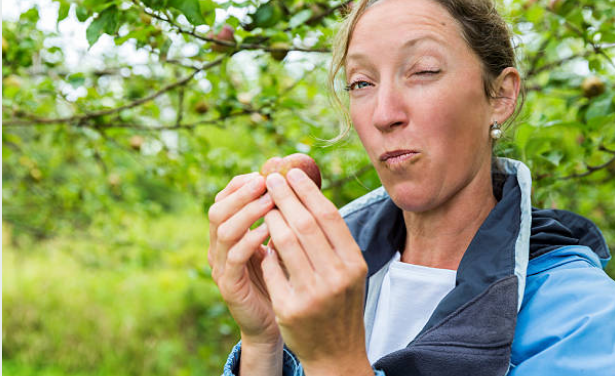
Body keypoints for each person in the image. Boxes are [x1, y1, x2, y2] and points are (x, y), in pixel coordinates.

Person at [207, 0, 615, 374]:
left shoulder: (585, 318)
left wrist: (337, 361)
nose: (384, 114)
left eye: (423, 71)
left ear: (500, 95)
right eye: (361, 83)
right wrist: (264, 341)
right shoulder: (325, 280)